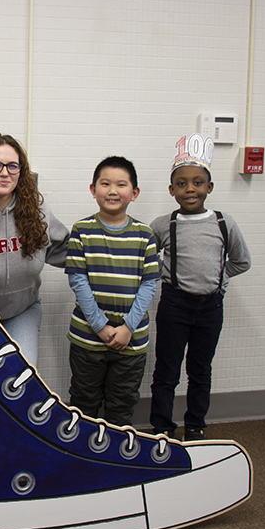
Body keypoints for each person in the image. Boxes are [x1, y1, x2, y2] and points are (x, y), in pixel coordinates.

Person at [149, 135, 251, 441]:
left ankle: (195, 426)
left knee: (200, 371)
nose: (190, 189)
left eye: (197, 183)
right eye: (182, 184)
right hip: (174, 306)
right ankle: (163, 428)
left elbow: (241, 261)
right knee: (166, 371)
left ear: (209, 187)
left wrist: (219, 282)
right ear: (172, 190)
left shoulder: (224, 223)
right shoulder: (163, 225)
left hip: (210, 308)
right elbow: (145, 261)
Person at [0, 133, 69, 365]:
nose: (5, 173)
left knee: (22, 379)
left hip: (22, 311)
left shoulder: (37, 208)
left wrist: (106, 253)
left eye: (12, 166)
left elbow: (62, 249)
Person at [65, 156, 159, 427]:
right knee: (84, 403)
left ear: (135, 193)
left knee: (122, 404)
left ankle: (116, 462)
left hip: (132, 340)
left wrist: (128, 327)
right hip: (88, 339)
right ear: (93, 189)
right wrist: (101, 327)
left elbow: (149, 284)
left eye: (121, 184)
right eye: (105, 184)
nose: (113, 190)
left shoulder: (145, 235)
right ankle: (82, 459)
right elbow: (78, 282)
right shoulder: (82, 231)